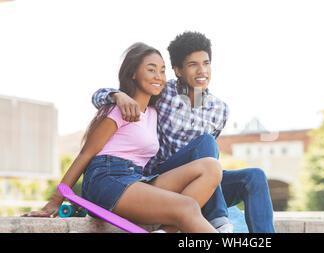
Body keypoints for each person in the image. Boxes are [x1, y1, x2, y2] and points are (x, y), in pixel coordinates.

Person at [23, 42, 222, 233]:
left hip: (137, 178)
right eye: (151, 69)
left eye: (162, 71)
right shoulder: (119, 109)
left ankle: (165, 231)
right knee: (187, 206)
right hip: (106, 178)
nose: (159, 77)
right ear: (133, 73)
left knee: (211, 167)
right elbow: (85, 154)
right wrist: (54, 201)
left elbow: (190, 101)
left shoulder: (153, 113)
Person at [92, 31, 275, 233]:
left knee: (255, 176)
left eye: (206, 63)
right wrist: (117, 95)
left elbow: (209, 161)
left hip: (201, 181)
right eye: (192, 65)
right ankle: (218, 219)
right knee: (205, 142)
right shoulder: (164, 92)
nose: (201, 71)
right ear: (178, 70)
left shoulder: (220, 109)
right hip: (161, 179)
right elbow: (99, 96)